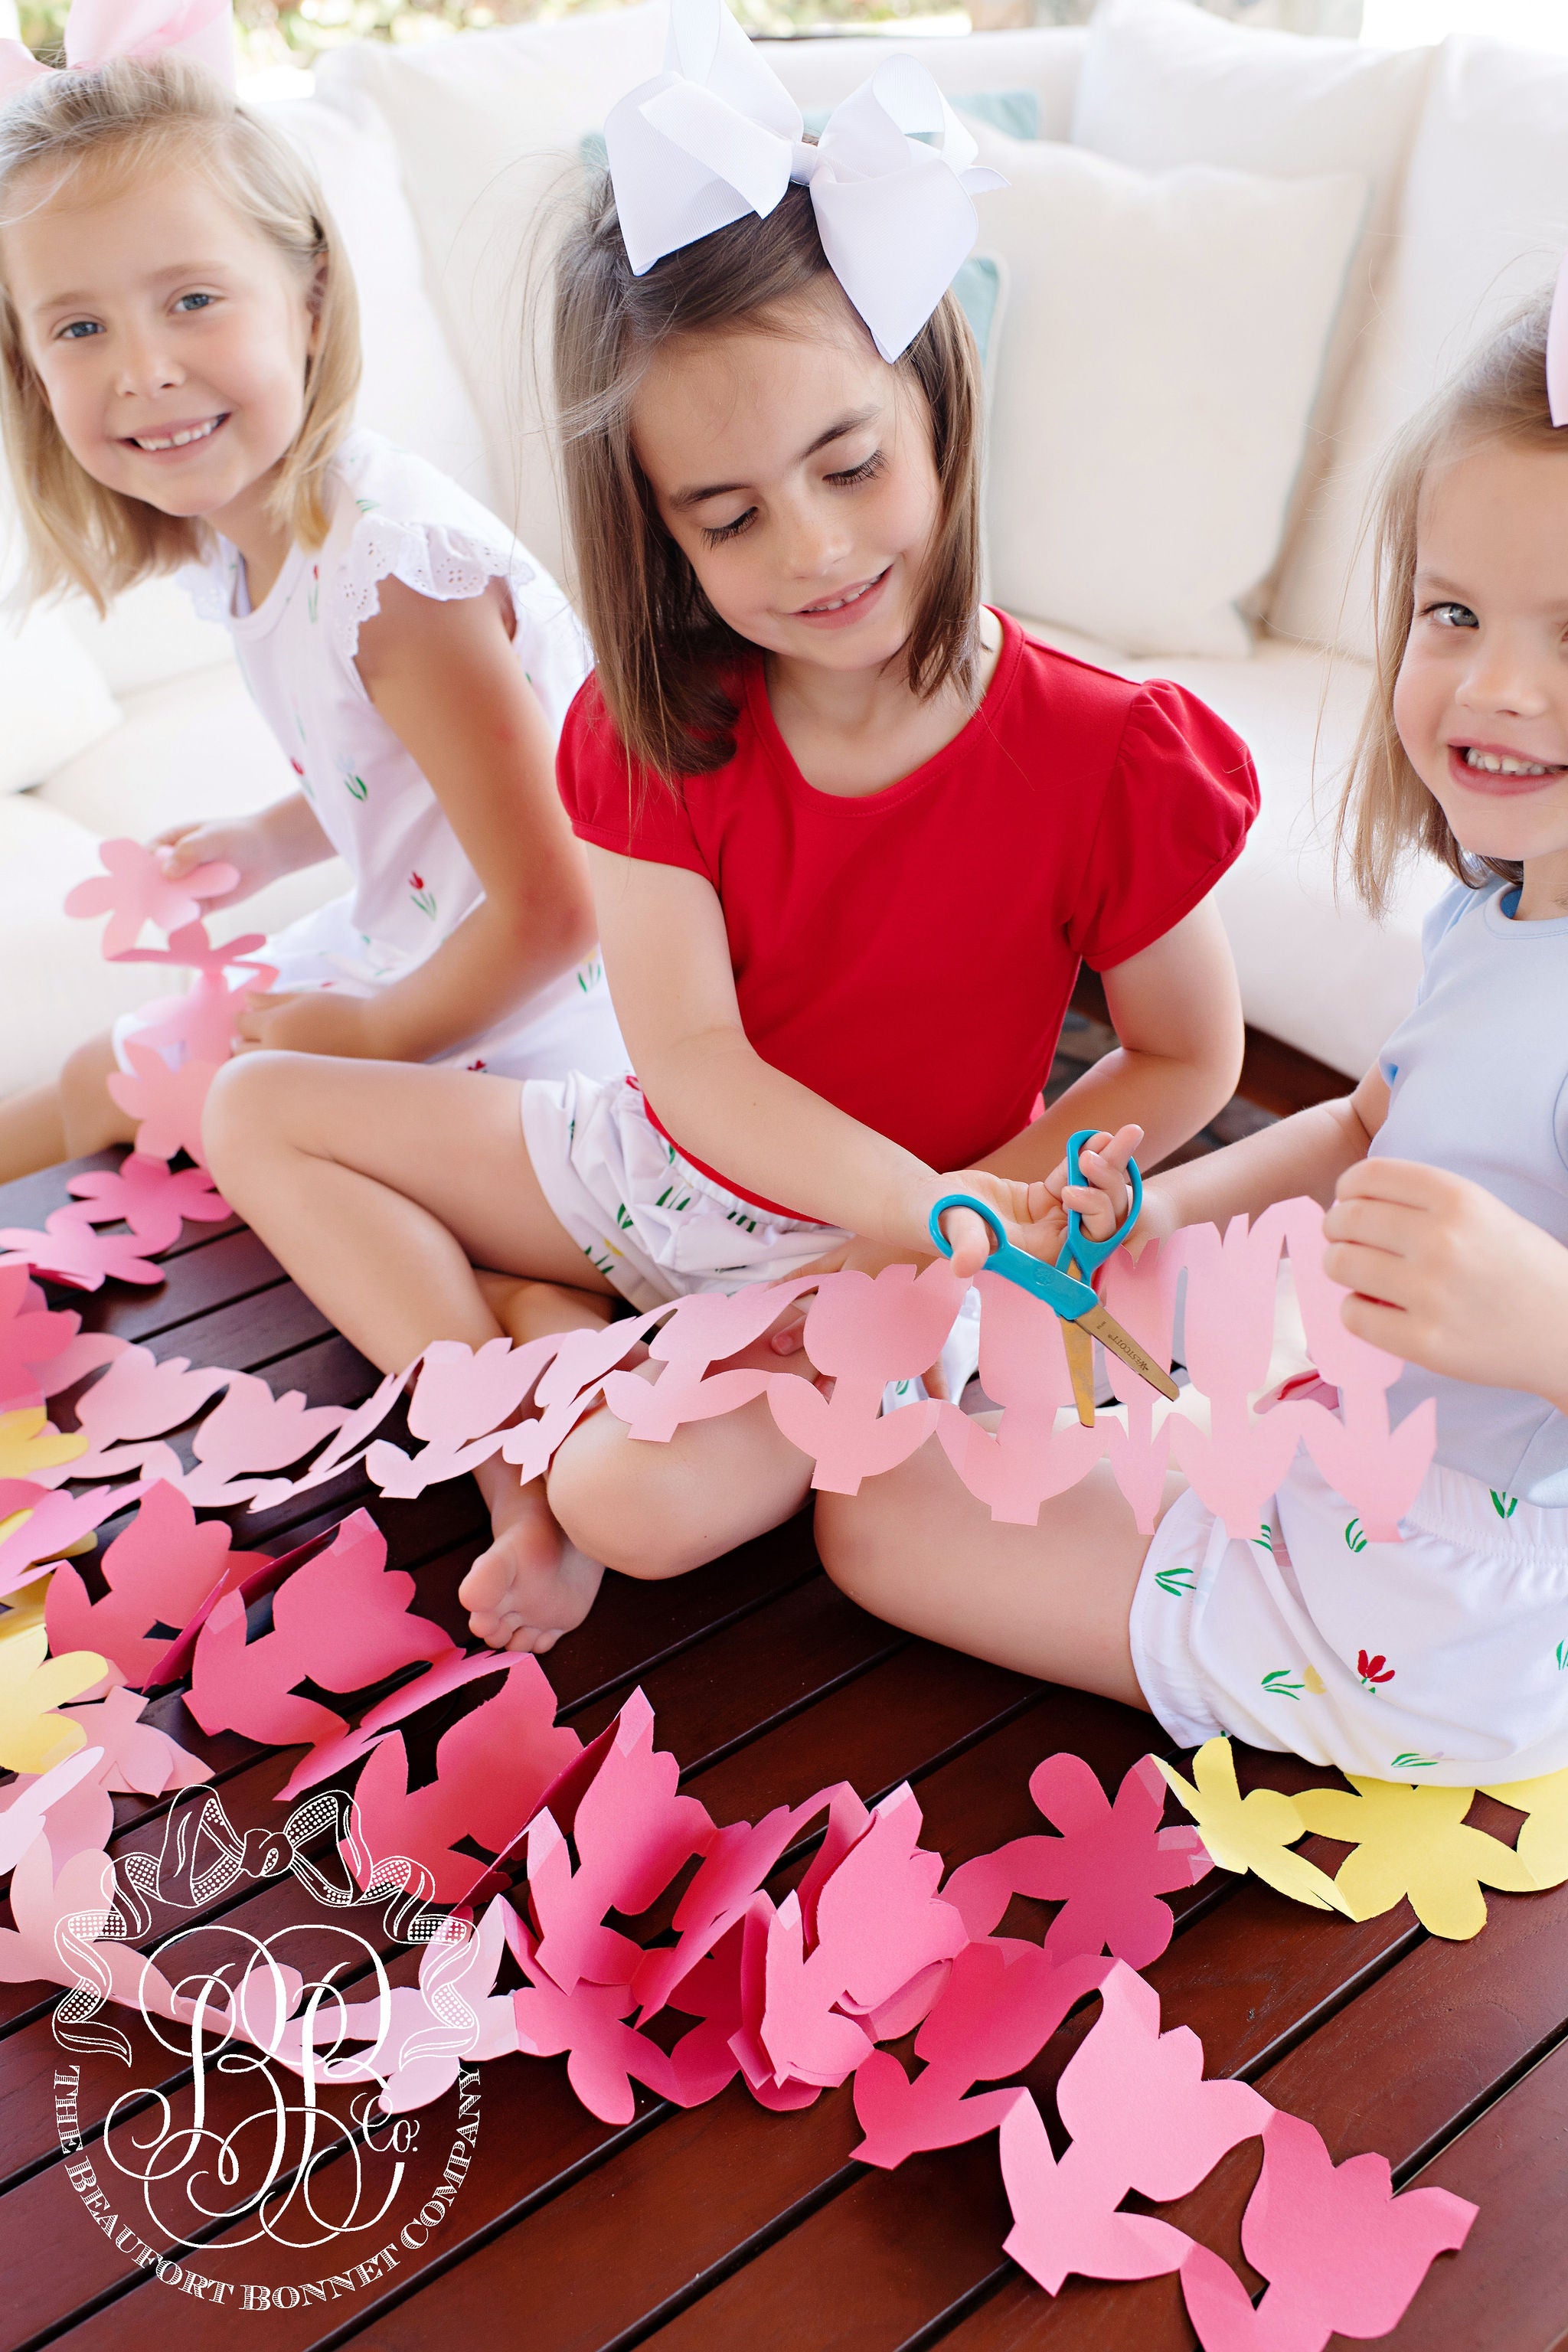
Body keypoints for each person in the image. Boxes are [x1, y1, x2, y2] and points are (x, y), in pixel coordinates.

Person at [203, 0, 1257, 1658]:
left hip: (894, 1244)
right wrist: (900, 1205)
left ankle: (545, 1386)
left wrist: (960, 1216)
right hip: (660, 1169)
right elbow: (691, 1062)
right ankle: (512, 1440)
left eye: (850, 466)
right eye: (730, 516)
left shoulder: (1111, 752)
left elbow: (1188, 1054)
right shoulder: (652, 731)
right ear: (662, 538)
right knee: (254, 1104)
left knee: (636, 1508)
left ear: (939, 412)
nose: (814, 549)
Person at [820, 294, 1568, 1788]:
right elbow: (1362, 1128)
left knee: (873, 1516)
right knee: (1027, 1378)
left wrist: (1543, 1319)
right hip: (1356, 1465)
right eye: (1453, 614)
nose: (1495, 685)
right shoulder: (1499, 913)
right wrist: (1155, 1219)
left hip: (1450, 1620)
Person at [0, 26, 623, 1186]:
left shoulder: (394, 580)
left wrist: (373, 1038)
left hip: (545, 1022)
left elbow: (561, 908)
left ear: (311, 304)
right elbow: (395, 770)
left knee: (130, 1084)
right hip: (424, 952)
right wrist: (269, 839)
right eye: (80, 328)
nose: (144, 370)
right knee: (109, 1076)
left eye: (192, 299)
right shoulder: (259, 543)